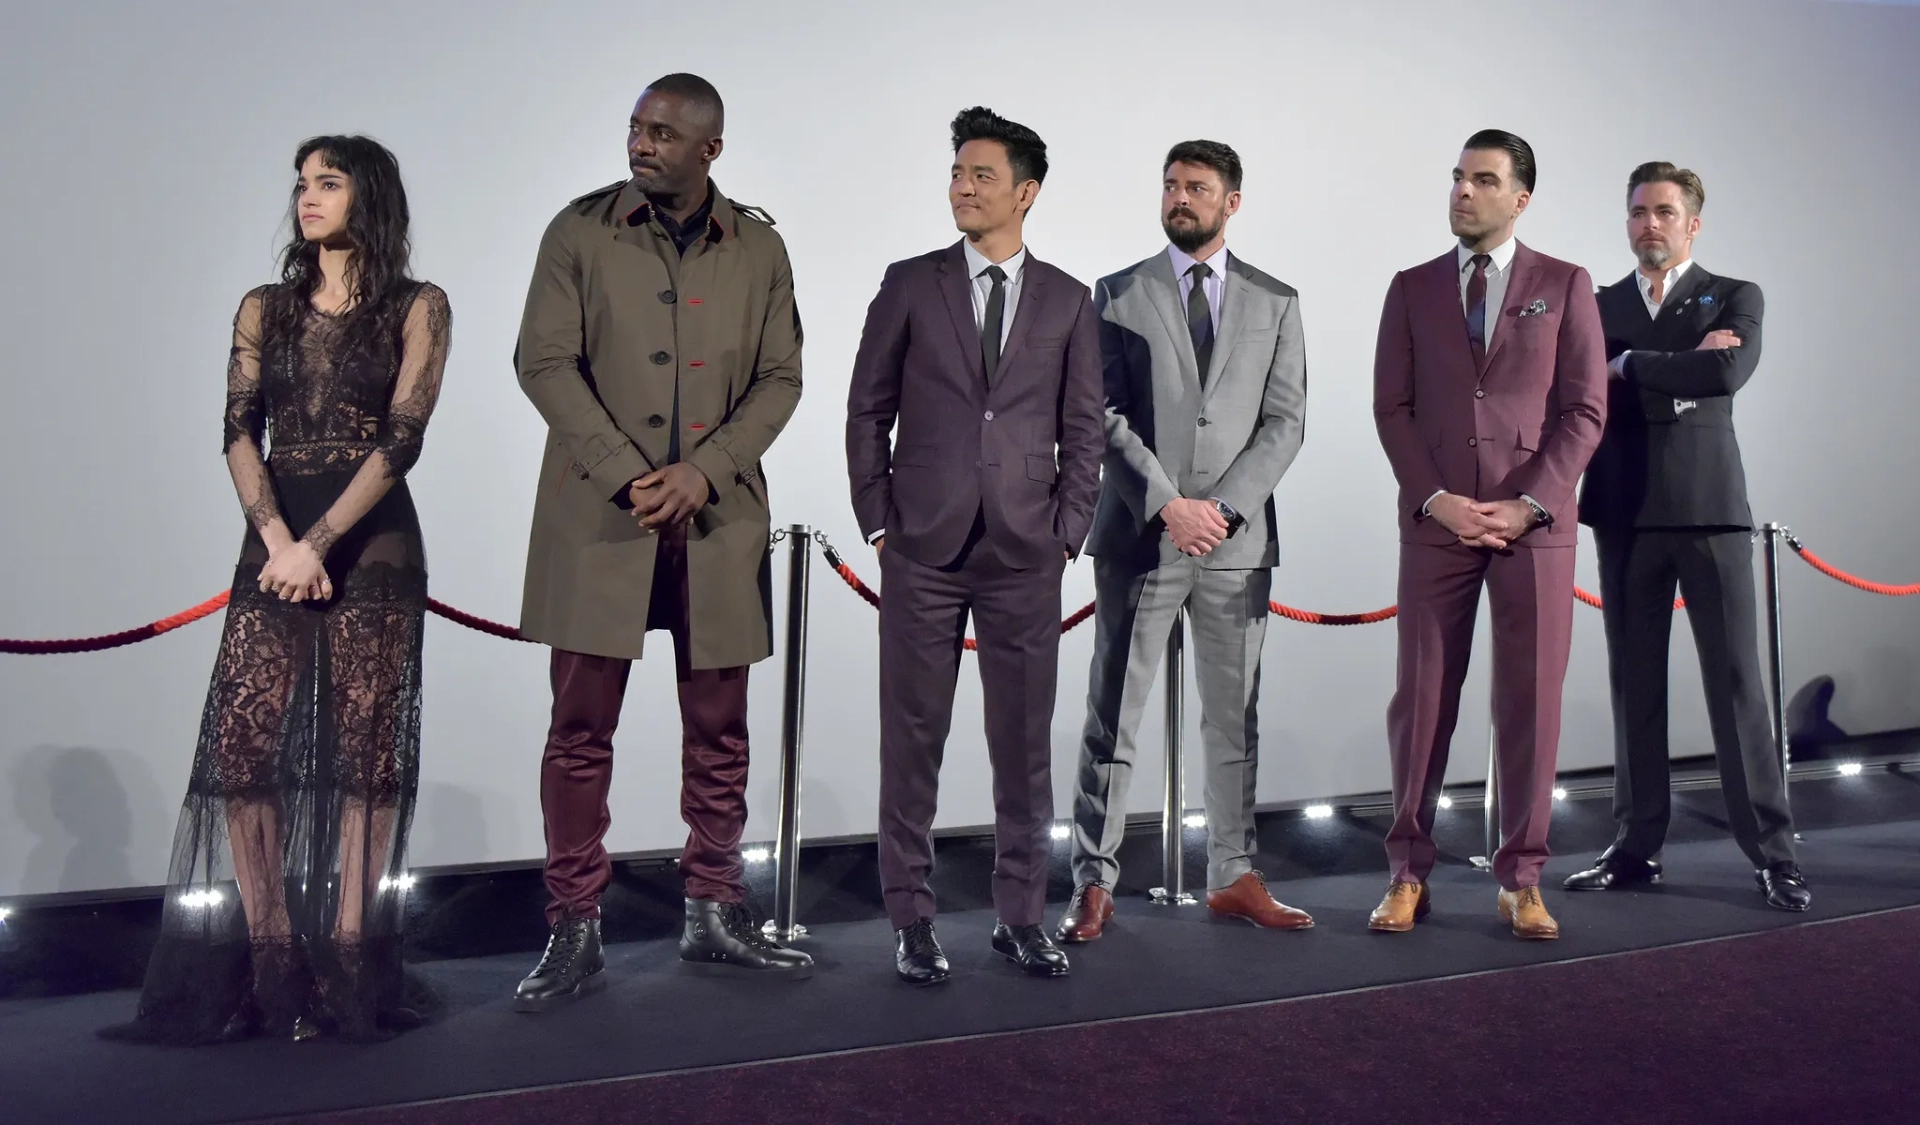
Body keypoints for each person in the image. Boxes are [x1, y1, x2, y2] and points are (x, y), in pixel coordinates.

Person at [101, 136, 452, 1044]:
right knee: (242, 745)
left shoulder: (419, 305)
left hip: (372, 540)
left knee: (365, 752)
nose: (307, 197)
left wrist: (322, 543)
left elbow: (402, 438)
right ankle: (270, 957)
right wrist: (279, 541)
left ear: (367, 195)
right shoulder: (265, 307)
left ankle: (349, 957)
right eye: (301, 184)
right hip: (275, 540)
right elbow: (236, 428)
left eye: (327, 182)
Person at [511, 73, 810, 1011]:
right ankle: (573, 926)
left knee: (720, 729)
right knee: (578, 730)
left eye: (664, 133)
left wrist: (704, 472)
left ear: (709, 148)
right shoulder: (579, 231)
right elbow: (543, 360)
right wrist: (626, 470)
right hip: (602, 517)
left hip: (716, 525)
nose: (641, 143)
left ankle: (714, 909)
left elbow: (780, 377)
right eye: (637, 128)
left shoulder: (758, 246)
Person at [845, 106, 1104, 984]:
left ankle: (1022, 915)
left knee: (1024, 746)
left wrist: (1068, 533)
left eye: (981, 175)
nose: (960, 186)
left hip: (1026, 552)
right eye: (956, 172)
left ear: (1025, 192)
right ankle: (911, 917)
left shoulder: (1070, 299)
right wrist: (879, 520)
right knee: (911, 738)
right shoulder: (910, 283)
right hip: (921, 544)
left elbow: (1083, 428)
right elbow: (866, 408)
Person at [1058, 140, 1310, 943]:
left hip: (1235, 548)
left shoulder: (1277, 299)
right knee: (1112, 716)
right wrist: (1170, 505)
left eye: (1197, 188)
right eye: (1171, 185)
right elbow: (1099, 415)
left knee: (1235, 721)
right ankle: (1093, 882)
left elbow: (1285, 421)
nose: (1180, 198)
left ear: (1231, 201)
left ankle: (1233, 873)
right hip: (1141, 535)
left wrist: (1223, 509)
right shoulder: (1118, 292)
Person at [1369, 129, 1606, 941]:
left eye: (1483, 180)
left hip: (1533, 530)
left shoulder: (1568, 285)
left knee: (1531, 705)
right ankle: (1407, 873)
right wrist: (1434, 497)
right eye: (1459, 177)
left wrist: (1531, 502)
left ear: (1521, 198)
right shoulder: (1410, 287)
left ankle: (1523, 880)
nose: (1463, 191)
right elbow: (1390, 410)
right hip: (1439, 525)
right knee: (1423, 703)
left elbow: (1584, 410)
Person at [1568, 162, 1810, 911]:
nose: (1650, 223)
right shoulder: (1597, 301)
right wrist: (1682, 366)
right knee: (1632, 687)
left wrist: (1631, 363)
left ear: (1692, 222)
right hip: (1623, 510)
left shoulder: (1735, 294)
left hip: (1709, 511)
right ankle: (1636, 846)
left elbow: (1727, 373)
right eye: (1638, 211)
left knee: (1737, 689)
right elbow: (1577, 388)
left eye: (1665, 211)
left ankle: (1773, 855)